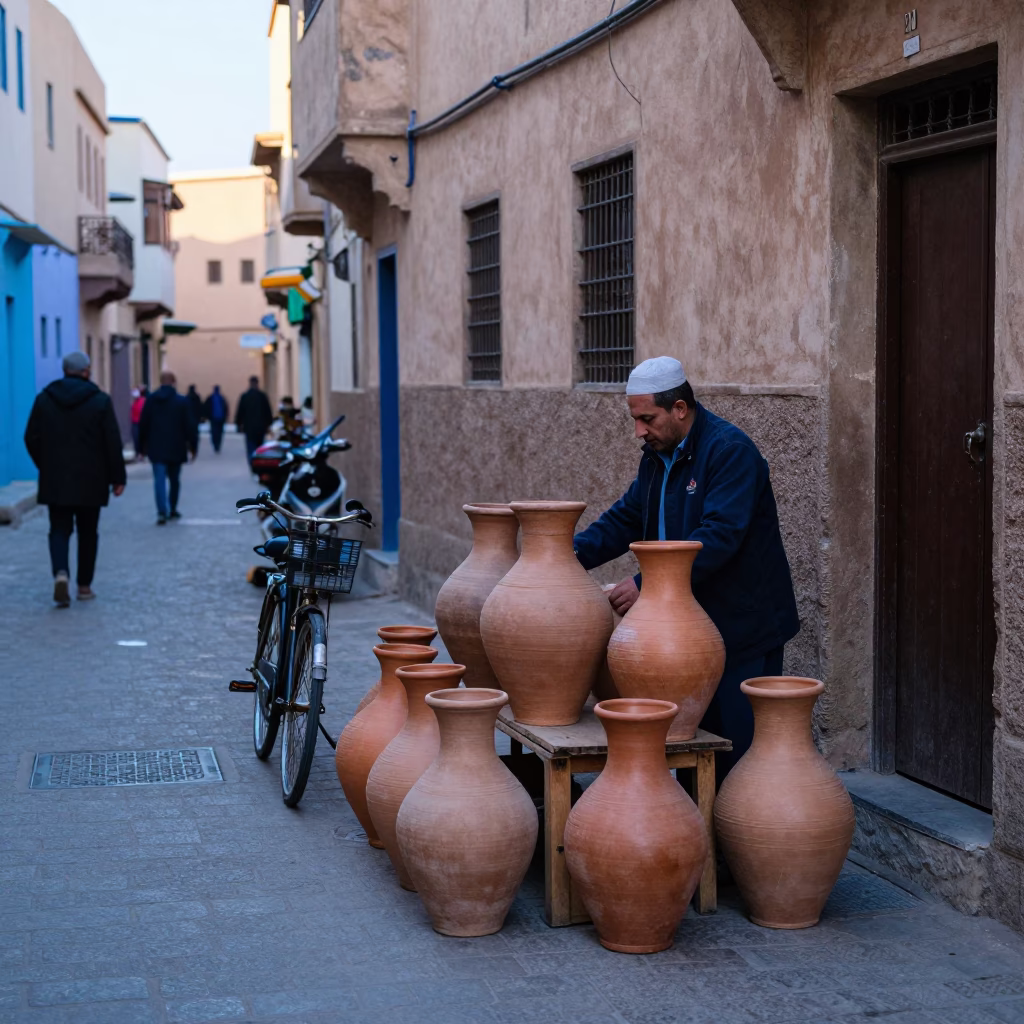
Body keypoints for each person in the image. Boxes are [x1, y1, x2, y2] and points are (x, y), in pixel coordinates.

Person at [573, 356, 800, 779]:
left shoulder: (730, 452)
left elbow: (719, 537)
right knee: (695, 754)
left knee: (737, 759)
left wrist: (647, 584)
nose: (639, 431)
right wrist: (564, 557)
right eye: (635, 419)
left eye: (646, 418)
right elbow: (625, 517)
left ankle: (737, 844)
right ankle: (699, 838)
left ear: (680, 408)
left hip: (742, 628)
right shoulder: (655, 456)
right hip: (687, 629)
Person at [23, 350, 126, 607]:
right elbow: (112, 441)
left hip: (56, 479)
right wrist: (117, 477)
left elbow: (30, 437)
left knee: (58, 529)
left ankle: (60, 572)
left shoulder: (44, 399)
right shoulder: (100, 401)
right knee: (88, 532)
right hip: (92, 480)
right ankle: (84, 586)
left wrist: (45, 465)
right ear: (86, 371)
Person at [138, 371, 198, 525]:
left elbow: (143, 424)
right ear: (173, 382)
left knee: (159, 480)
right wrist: (193, 446)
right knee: (174, 480)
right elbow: (190, 426)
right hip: (176, 447)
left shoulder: (151, 400)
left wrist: (140, 447)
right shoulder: (182, 401)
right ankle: (172, 508)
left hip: (156, 446)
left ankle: (161, 511)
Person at [235, 375, 274, 462]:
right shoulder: (262, 396)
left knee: (250, 447)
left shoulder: (245, 396)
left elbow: (240, 412)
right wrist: (269, 424)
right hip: (261, 427)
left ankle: (252, 462)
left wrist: (238, 424)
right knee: (259, 447)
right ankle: (258, 462)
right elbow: (268, 411)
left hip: (249, 428)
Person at [202, 385, 229, 453]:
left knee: (214, 432)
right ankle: (217, 445)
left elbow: (206, 407)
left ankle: (216, 445)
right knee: (218, 432)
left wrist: (206, 416)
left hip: (214, 418)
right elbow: (225, 408)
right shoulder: (221, 398)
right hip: (219, 418)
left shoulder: (212, 398)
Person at [130, 387, 148, 462]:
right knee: (136, 438)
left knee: (141, 438)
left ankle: (142, 453)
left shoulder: (143, 401)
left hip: (141, 422)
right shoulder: (134, 402)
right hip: (135, 422)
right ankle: (139, 453)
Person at [186, 384, 204, 450]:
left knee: (188, 432)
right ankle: (194, 445)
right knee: (195, 431)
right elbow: (200, 407)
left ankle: (190, 444)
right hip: (196, 417)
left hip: (188, 418)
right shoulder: (197, 397)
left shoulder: (187, 397)